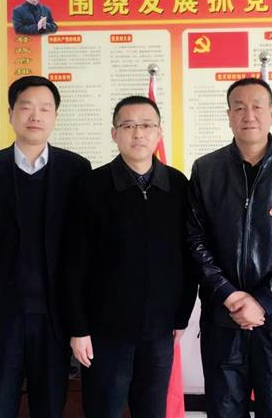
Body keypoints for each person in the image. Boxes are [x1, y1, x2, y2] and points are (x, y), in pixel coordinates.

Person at [0, 76, 90, 417]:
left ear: (55, 116)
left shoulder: (77, 170)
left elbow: (83, 251)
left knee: (50, 406)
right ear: (11, 113)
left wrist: (82, 320)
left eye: (45, 108)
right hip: (0, 315)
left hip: (55, 317)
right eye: (26, 107)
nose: (35, 115)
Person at [187, 77, 272, 417]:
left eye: (257, 107)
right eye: (239, 108)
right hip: (223, 318)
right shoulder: (206, 170)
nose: (249, 115)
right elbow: (195, 240)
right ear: (228, 115)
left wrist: (262, 301)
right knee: (223, 410)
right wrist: (230, 295)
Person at [64, 96, 197, 418]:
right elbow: (72, 264)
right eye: (128, 126)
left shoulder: (177, 185)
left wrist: (181, 317)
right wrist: (78, 328)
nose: (138, 133)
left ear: (159, 132)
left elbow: (189, 256)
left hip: (160, 330)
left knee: (151, 410)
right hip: (104, 331)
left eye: (147, 125)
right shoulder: (91, 186)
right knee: (103, 410)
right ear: (114, 134)